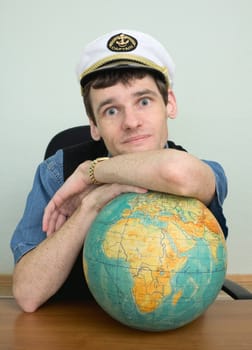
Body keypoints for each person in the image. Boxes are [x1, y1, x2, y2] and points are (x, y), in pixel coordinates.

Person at [10, 29, 228, 312]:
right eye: (111, 110)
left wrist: (94, 172)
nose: (131, 122)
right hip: (76, 331)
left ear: (169, 104)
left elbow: (175, 173)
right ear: (94, 125)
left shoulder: (200, 172)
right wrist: (91, 204)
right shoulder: (57, 172)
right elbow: (28, 295)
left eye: (144, 101)